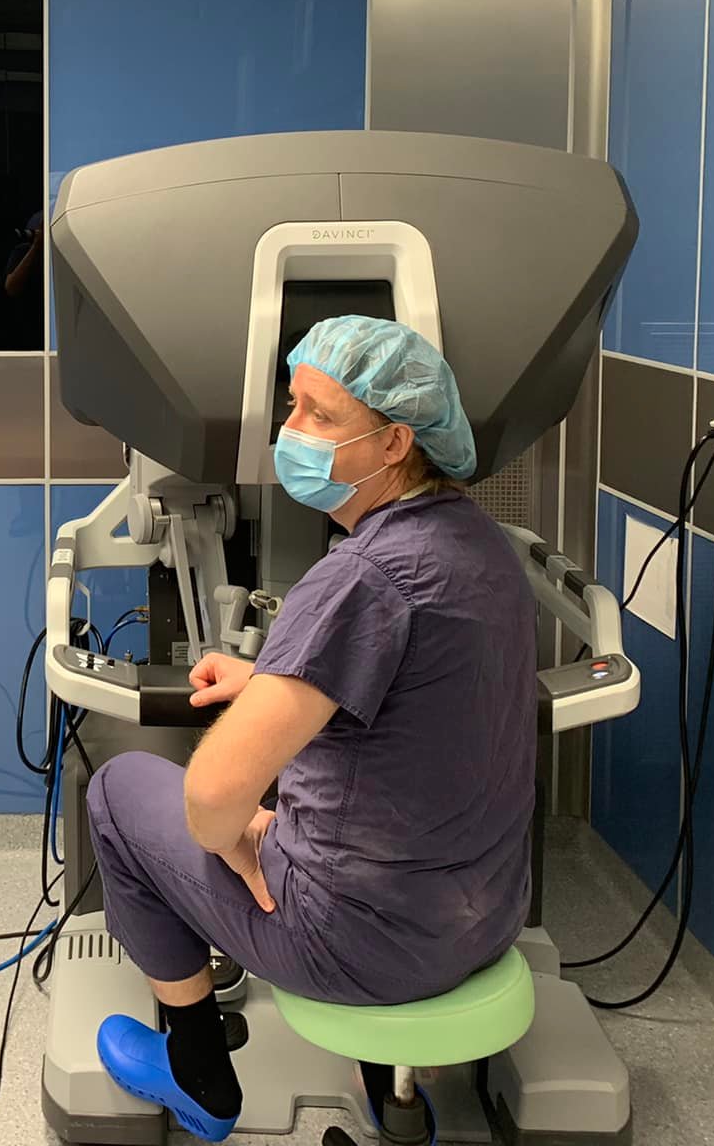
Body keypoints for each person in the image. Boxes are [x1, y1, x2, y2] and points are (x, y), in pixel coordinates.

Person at [87, 315, 536, 1142]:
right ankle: (388, 1085)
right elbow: (419, 709)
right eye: (291, 404)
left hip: (352, 943)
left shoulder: (359, 575)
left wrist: (237, 839)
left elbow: (213, 799)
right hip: (485, 917)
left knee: (119, 792)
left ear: (395, 440)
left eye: (320, 416)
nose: (289, 432)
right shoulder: (483, 547)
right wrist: (271, 683)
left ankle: (195, 1069)